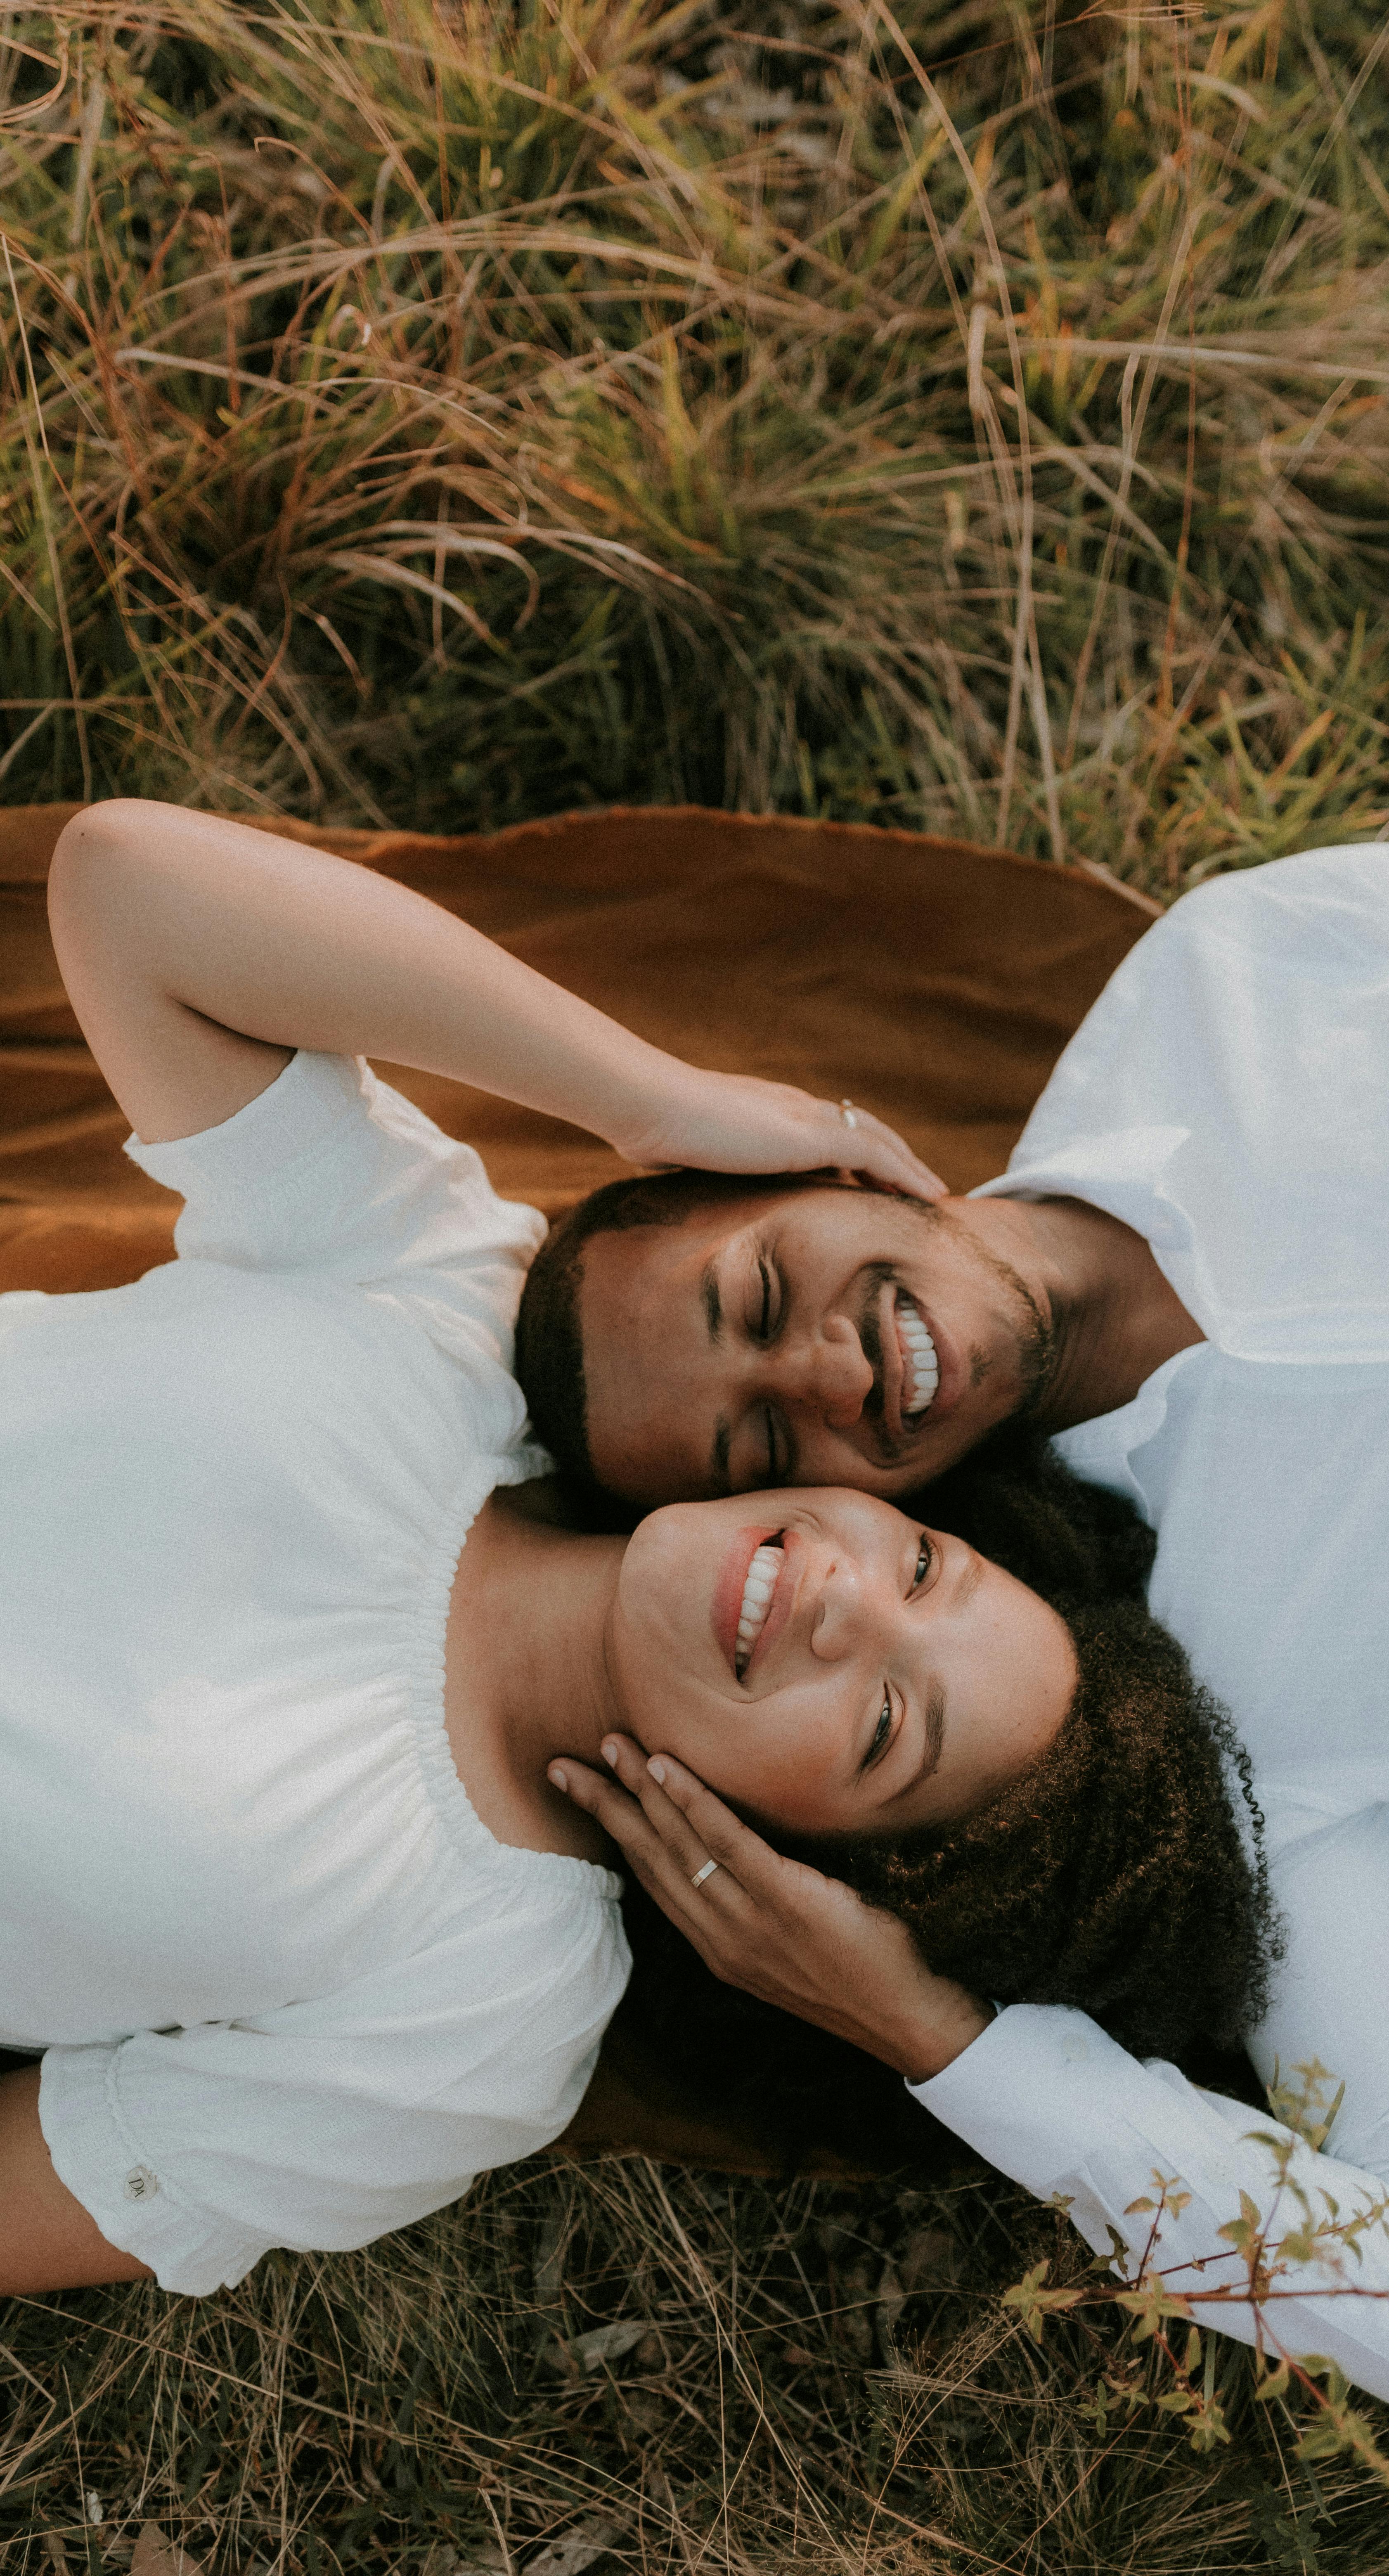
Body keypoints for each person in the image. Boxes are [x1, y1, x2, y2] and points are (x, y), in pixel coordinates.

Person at [532, 839, 1389, 2455]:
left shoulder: (1238, 972)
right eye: (755, 1451)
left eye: (756, 1290)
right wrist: (942, 2045)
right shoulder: (1208, 1715)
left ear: (814, 1163)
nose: (821, 1368)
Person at [0, 800, 1270, 2297]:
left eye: (880, 1726)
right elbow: (131, 885)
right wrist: (651, 1102)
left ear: (810, 1866)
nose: (842, 1604)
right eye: (926, 1571)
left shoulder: (486, 2018)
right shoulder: (446, 1319)